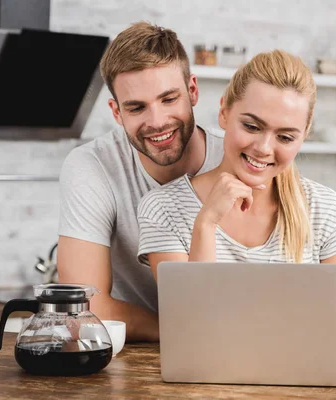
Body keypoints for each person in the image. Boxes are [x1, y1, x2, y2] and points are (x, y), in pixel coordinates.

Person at [136, 49, 336, 357]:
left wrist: (256, 341)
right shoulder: (164, 208)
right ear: (224, 112)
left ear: (303, 136)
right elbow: (192, 333)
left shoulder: (326, 210)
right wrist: (206, 224)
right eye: (252, 126)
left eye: (285, 138)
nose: (263, 148)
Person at [56, 21, 225, 342]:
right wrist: (190, 333)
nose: (157, 121)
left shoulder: (235, 156)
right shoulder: (91, 165)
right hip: (141, 350)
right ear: (117, 113)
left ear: (192, 91)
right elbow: (82, 307)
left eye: (169, 99)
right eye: (136, 107)